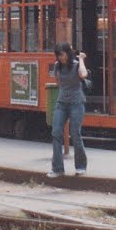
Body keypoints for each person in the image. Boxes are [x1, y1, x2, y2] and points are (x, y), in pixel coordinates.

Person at [47, 42, 89, 177]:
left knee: (75, 134)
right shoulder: (57, 66)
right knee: (56, 132)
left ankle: (81, 166)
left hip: (76, 103)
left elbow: (83, 75)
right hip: (61, 103)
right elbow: (58, 81)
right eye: (58, 55)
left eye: (62, 54)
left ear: (68, 53)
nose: (60, 57)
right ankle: (57, 168)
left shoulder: (76, 65)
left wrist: (81, 59)